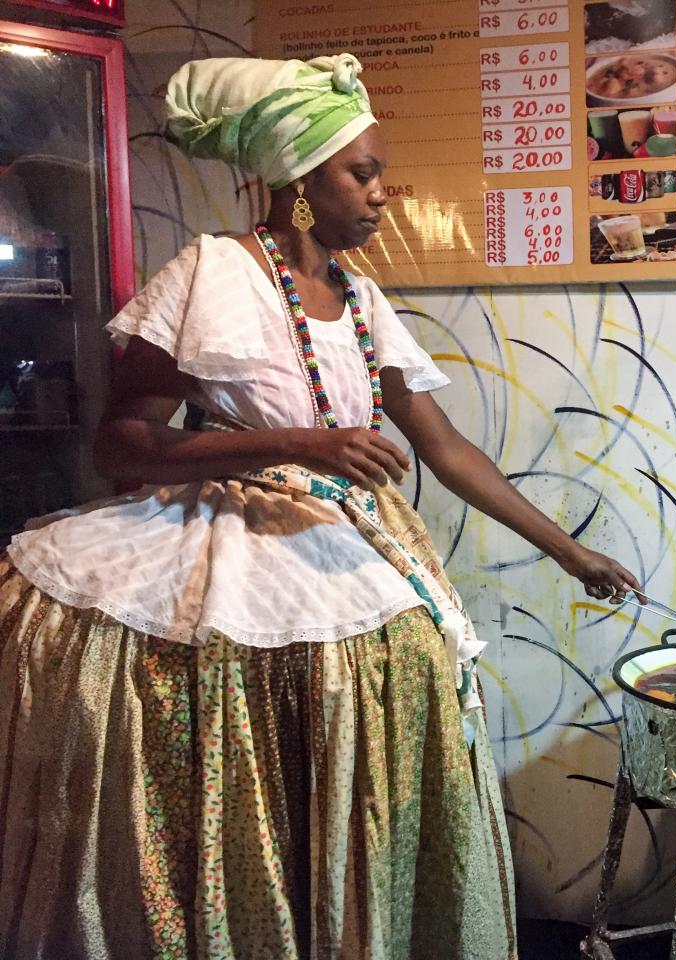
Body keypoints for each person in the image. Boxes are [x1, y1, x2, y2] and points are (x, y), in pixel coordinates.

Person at [0, 53, 639, 960]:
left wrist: (568, 550)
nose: (383, 193)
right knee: (248, 769)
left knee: (355, 752)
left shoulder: (360, 297)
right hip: (231, 557)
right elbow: (121, 448)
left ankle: (346, 929)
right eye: (362, 172)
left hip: (350, 550)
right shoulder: (214, 274)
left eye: (379, 173)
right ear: (301, 182)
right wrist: (300, 445)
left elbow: (446, 446)